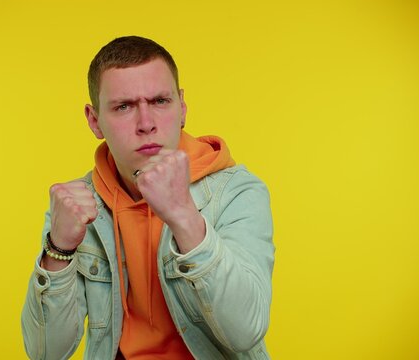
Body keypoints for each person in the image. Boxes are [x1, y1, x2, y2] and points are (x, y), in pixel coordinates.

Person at [21, 36, 275, 359]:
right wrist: (58, 249)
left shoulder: (236, 192)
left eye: (159, 101)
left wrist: (185, 218)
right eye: (123, 106)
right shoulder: (76, 205)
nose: (146, 124)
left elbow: (246, 331)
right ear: (94, 120)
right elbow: (45, 353)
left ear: (182, 107)